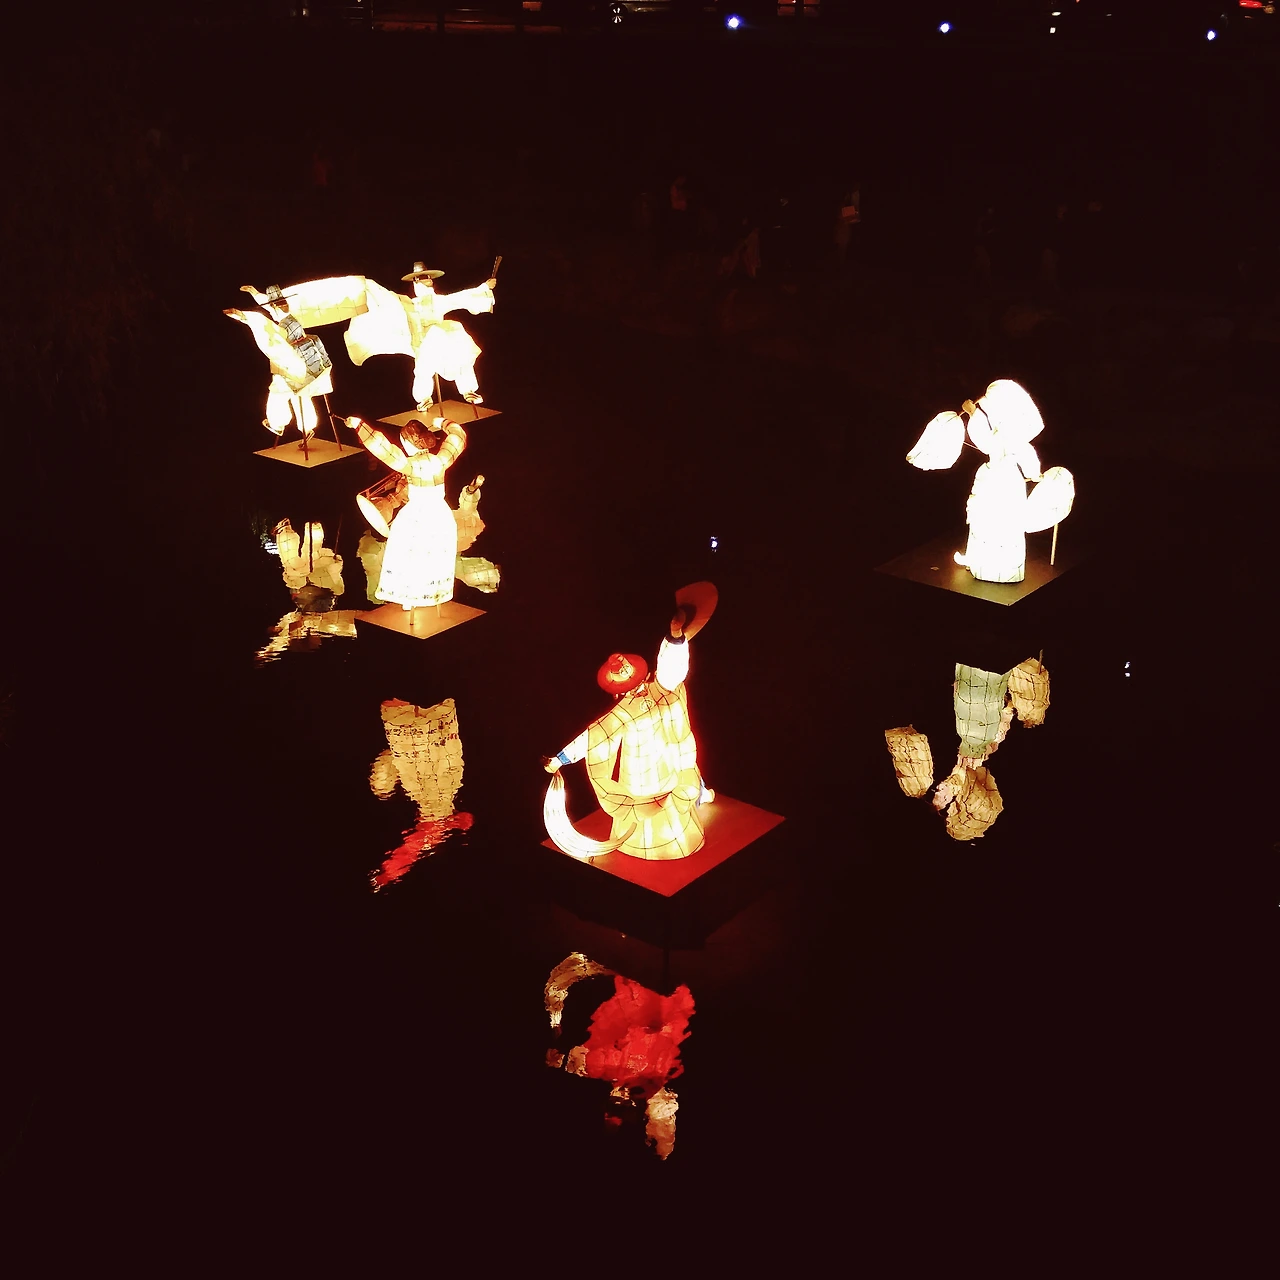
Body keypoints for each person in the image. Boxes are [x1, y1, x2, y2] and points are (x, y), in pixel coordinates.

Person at [542, 584, 717, 861]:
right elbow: (594, 737)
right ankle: (650, 839)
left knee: (685, 782)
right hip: (642, 774)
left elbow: (671, 667)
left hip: (673, 760)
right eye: (628, 688)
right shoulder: (622, 713)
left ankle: (697, 799)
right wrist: (560, 759)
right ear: (618, 692)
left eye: (637, 682)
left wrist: (675, 637)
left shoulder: (662, 688)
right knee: (649, 811)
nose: (637, 690)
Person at [344, 415, 466, 610]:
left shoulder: (411, 465)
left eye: (403, 443)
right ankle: (435, 593)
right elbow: (458, 437)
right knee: (435, 554)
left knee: (409, 552)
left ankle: (409, 596)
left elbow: (383, 448)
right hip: (440, 514)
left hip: (417, 514)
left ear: (409, 443)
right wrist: (441, 422)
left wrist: (359, 425)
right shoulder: (441, 460)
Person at [345, 262, 497, 412]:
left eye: (429, 277)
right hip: (421, 345)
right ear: (416, 281)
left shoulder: (438, 301)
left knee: (459, 341)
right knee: (424, 366)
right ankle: (424, 398)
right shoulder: (409, 304)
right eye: (423, 277)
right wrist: (367, 286)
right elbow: (385, 299)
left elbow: (460, 298)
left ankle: (468, 389)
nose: (428, 280)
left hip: (442, 340)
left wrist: (484, 288)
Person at [224, 284, 334, 440]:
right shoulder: (292, 315)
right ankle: (307, 427)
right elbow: (270, 307)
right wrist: (254, 293)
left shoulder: (282, 325)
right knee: (301, 394)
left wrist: (241, 315)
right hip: (313, 360)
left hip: (296, 363)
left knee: (278, 391)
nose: (279, 306)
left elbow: (261, 323)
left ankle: (277, 423)